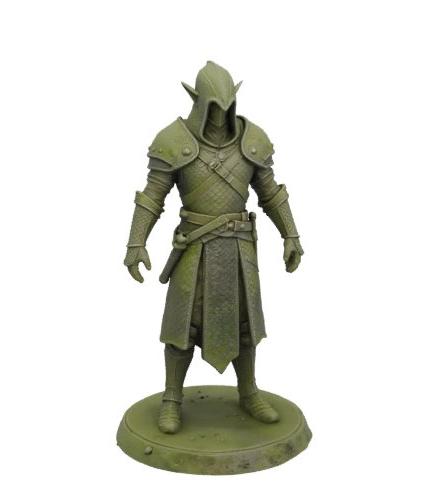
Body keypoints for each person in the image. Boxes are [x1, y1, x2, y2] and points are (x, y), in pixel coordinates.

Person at [124, 60, 305, 434]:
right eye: (213, 107)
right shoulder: (174, 140)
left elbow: (272, 192)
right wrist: (136, 241)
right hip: (194, 246)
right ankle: (172, 399)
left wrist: (291, 234)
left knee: (246, 323)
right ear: (196, 101)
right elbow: (152, 195)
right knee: (183, 324)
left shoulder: (253, 140)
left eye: (226, 107)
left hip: (240, 247)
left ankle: (249, 393)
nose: (220, 116)